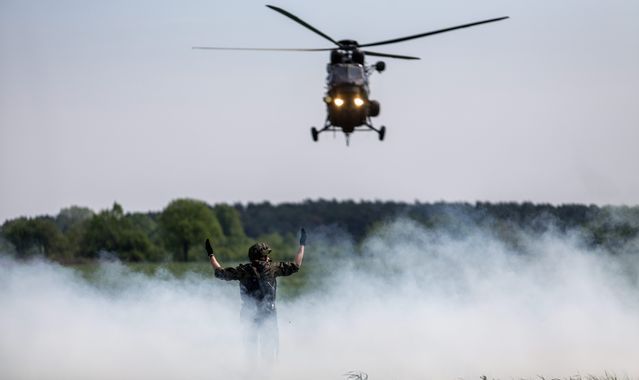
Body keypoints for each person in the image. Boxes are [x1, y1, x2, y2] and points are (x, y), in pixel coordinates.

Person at [205, 228, 306, 364]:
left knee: (250, 348)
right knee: (269, 349)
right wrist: (302, 244)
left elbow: (220, 272)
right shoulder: (273, 268)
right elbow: (296, 265)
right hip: (268, 314)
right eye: (267, 255)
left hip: (248, 313)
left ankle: (251, 374)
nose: (269, 257)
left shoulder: (244, 270)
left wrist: (211, 254)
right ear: (263, 257)